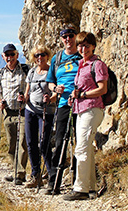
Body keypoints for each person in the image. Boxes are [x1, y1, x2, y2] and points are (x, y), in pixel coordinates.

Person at [63, 32, 108, 201]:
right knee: (87, 148)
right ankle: (91, 187)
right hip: (80, 109)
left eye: (87, 46)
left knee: (81, 147)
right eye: (81, 46)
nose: (83, 49)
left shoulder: (97, 65)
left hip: (92, 109)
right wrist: (74, 96)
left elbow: (102, 89)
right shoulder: (82, 64)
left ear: (93, 46)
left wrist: (82, 95)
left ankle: (80, 188)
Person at [43, 25, 82, 195]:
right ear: (61, 39)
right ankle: (54, 181)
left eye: (71, 36)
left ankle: (77, 182)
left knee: (78, 143)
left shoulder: (82, 55)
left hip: (81, 103)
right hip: (63, 104)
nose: (68, 39)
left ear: (75, 37)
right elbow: (50, 81)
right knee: (60, 142)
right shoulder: (57, 58)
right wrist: (54, 89)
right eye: (64, 36)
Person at [0, 43, 29, 185]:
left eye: (12, 54)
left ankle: (20, 174)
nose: (9, 57)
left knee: (23, 142)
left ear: (17, 55)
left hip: (23, 111)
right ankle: (16, 171)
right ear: (3, 57)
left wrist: (26, 97)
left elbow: (32, 87)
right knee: (11, 144)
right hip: (8, 112)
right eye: (7, 55)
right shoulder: (1, 72)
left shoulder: (26, 70)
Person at [23, 45, 57, 188]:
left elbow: (56, 92)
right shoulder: (31, 72)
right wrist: (22, 98)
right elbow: (27, 92)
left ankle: (51, 175)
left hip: (46, 111)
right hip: (30, 110)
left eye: (42, 55)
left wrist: (50, 99)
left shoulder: (52, 71)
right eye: (37, 55)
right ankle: (35, 175)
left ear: (47, 56)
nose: (39, 58)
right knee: (31, 143)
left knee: (44, 143)